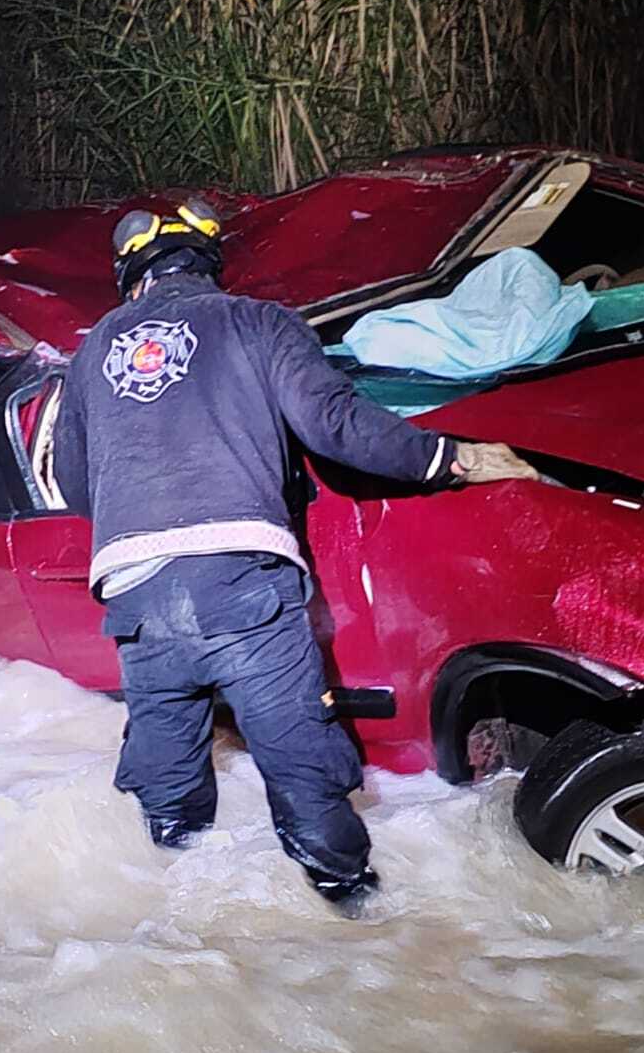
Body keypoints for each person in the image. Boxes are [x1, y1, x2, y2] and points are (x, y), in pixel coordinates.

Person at [53, 199, 539, 911]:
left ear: (132, 279)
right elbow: (335, 424)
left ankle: (190, 929)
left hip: (137, 596)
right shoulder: (257, 322)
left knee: (168, 787)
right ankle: (357, 919)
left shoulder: (93, 349)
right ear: (209, 266)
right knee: (301, 766)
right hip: (240, 582)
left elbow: (73, 480)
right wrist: (449, 457)